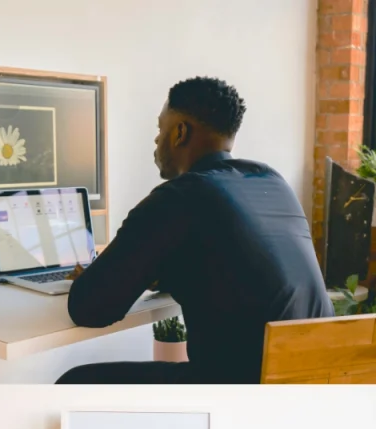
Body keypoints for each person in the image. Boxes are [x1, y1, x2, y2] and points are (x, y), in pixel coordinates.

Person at [57, 76, 334, 385]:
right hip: (311, 389)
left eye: (160, 129)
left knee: (74, 384)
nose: (156, 139)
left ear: (180, 132)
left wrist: (97, 278)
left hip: (239, 396)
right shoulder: (270, 180)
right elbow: (231, 264)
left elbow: (89, 309)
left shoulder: (178, 197)